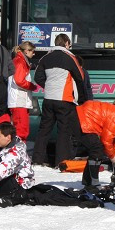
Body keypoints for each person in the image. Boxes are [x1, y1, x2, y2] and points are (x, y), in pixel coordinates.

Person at [32, 34, 87, 167]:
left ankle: (37, 159)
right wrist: (82, 98)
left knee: (44, 130)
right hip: (64, 99)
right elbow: (80, 77)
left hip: (48, 98)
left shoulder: (45, 57)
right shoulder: (70, 57)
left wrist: (49, 86)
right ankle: (60, 162)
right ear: (67, 43)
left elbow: (38, 77)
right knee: (64, 131)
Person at [75, 97, 115, 186]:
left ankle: (88, 181)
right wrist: (114, 158)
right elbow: (106, 141)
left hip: (83, 115)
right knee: (97, 149)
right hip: (82, 117)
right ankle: (94, 183)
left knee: (96, 149)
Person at [8, 42, 36, 142]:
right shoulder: (20, 62)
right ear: (27, 51)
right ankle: (19, 152)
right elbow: (19, 80)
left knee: (21, 129)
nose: (34, 54)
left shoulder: (19, 60)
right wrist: (32, 86)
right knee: (21, 130)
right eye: (33, 51)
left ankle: (19, 151)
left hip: (19, 101)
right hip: (19, 101)